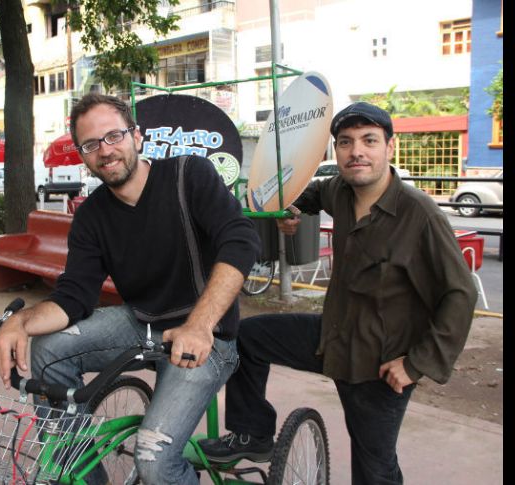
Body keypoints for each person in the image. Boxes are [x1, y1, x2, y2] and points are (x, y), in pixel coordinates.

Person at [198, 102, 478, 484]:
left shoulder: (420, 215)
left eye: (369, 140)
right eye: (345, 142)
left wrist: (416, 364)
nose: (356, 151)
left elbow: (460, 295)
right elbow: (311, 192)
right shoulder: (341, 191)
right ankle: (253, 435)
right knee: (248, 338)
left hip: (380, 364)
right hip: (333, 337)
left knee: (374, 470)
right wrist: (291, 208)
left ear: (389, 147)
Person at [0, 93, 260, 484]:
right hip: (143, 326)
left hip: (210, 336)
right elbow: (74, 297)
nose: (105, 150)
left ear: (137, 136)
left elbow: (241, 240)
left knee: (153, 459)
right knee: (47, 351)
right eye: (91, 144)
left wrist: (199, 325)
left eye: (114, 136)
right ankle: (83, 475)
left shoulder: (189, 174)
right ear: (83, 154)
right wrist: (21, 322)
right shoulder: (92, 215)